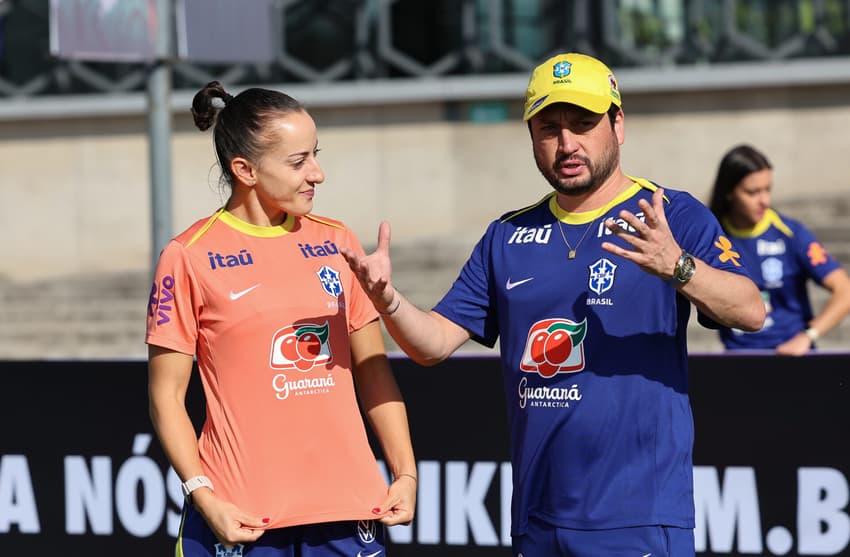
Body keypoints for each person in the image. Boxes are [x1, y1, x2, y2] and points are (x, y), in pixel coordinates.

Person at [342, 53, 765, 557]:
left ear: (618, 124)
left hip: (640, 519)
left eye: (584, 124)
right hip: (537, 521)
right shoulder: (507, 234)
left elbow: (751, 311)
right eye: (549, 129)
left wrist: (676, 265)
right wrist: (387, 299)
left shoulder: (670, 213)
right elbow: (432, 344)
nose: (567, 143)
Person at [146, 81, 416, 557]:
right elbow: (166, 398)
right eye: (298, 162)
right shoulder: (187, 255)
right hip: (243, 518)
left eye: (315, 154)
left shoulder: (338, 241)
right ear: (245, 170)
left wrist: (405, 472)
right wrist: (204, 498)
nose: (318, 174)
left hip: (346, 513)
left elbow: (374, 369)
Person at [708, 144, 850, 355]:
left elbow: (845, 291)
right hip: (738, 360)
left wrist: (808, 336)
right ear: (729, 192)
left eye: (768, 189)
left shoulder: (791, 234)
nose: (764, 200)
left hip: (792, 359)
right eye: (752, 192)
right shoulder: (711, 236)